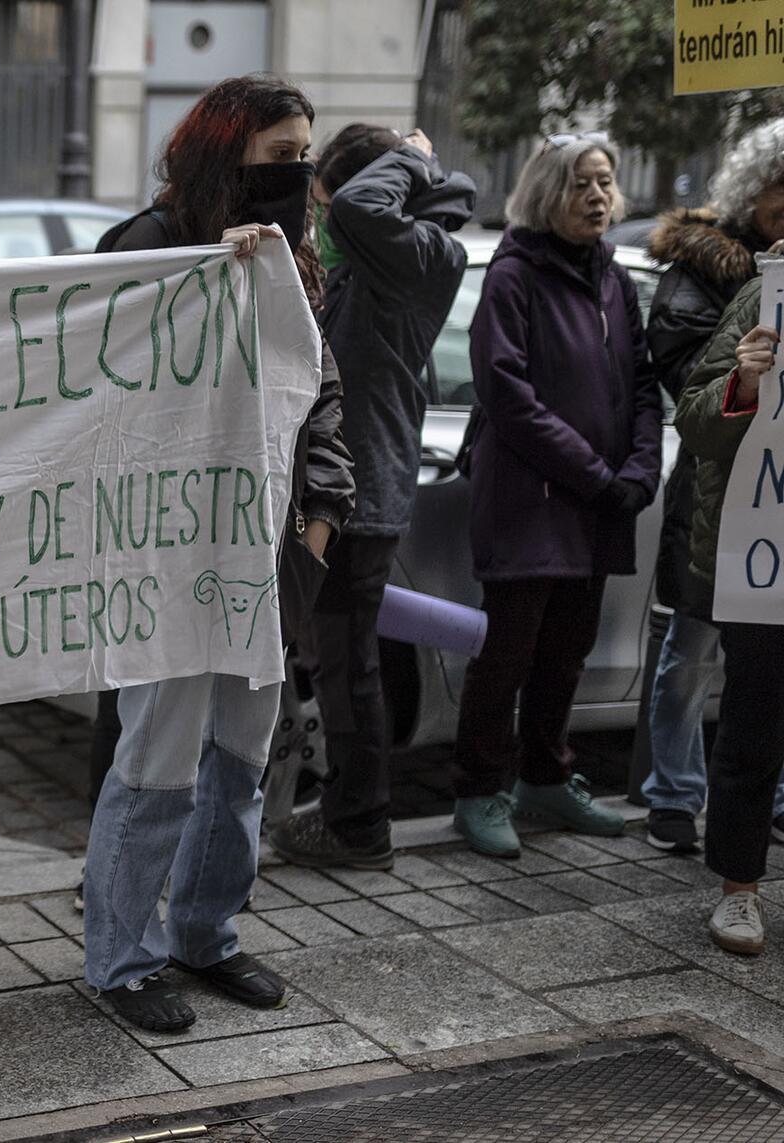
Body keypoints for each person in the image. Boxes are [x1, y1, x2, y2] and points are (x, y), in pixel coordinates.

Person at [79, 74, 354, 1033]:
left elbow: (321, 394)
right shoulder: (147, 247)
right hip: (168, 554)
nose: (299, 172)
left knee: (240, 757)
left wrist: (320, 518)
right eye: (281, 156)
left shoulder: (297, 259)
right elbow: (98, 395)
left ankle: (208, 933)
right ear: (223, 147)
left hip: (269, 550)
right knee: (157, 758)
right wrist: (209, 283)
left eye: (304, 156)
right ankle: (121, 958)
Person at [270, 124, 475, 871]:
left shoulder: (423, 252)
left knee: (348, 666)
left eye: (320, 203)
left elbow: (358, 205)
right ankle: (352, 815)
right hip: (347, 477)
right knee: (339, 662)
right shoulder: (379, 255)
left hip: (361, 485)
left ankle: (359, 823)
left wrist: (413, 158)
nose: (322, 221)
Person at [450, 135, 661, 859]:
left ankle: (546, 775)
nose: (599, 197)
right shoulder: (512, 277)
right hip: (532, 498)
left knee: (567, 649)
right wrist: (598, 476)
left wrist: (641, 467)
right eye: (581, 185)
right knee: (506, 652)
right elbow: (508, 398)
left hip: (596, 501)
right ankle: (479, 789)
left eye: (605, 182)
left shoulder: (615, 279)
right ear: (547, 195)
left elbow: (641, 385)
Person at [639, 117, 784, 854]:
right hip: (717, 492)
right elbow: (685, 377)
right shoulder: (709, 268)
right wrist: (755, 342)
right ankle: (673, 793)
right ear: (750, 190)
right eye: (777, 186)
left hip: (772, 503)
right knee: (693, 645)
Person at [673, 274, 782, 956]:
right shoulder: (763, 297)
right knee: (755, 718)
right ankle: (738, 888)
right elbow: (693, 417)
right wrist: (741, 383)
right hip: (767, 556)